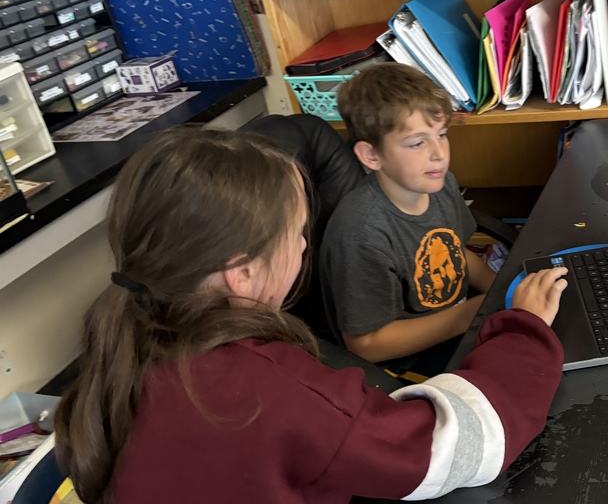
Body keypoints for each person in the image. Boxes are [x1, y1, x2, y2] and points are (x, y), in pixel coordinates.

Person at [52, 127, 569, 503]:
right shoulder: (266, 392)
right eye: (299, 232)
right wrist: (523, 329)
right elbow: (458, 448)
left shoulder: (122, 344)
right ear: (243, 273)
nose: (304, 246)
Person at [320, 64, 495, 373]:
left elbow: (458, 253)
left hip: (459, 327)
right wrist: (471, 314)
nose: (438, 153)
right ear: (371, 156)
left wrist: (502, 290)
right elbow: (365, 345)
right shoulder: (362, 234)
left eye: (441, 134)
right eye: (417, 143)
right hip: (406, 365)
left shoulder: (440, 184)